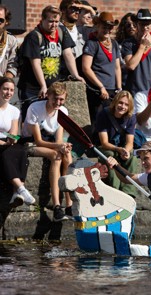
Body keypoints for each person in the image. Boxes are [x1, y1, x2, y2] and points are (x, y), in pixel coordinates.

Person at [17, 5, 84, 119]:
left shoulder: (61, 32)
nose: (54, 25)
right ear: (42, 19)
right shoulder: (34, 36)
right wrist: (43, 85)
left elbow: (68, 54)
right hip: (32, 88)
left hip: (53, 88)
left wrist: (76, 75)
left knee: (50, 119)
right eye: (50, 21)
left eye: (57, 21)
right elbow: (36, 63)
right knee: (31, 120)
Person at [21, 82, 73, 222]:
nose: (58, 102)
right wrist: (59, 147)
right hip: (30, 142)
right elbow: (38, 141)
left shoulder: (63, 111)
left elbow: (59, 138)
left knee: (67, 155)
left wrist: (64, 146)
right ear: (48, 96)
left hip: (49, 141)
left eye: (61, 99)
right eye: (55, 98)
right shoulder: (35, 108)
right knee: (56, 156)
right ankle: (57, 205)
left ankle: (69, 203)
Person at [94, 91, 139, 198]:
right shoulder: (104, 114)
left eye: (126, 104)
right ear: (115, 102)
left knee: (132, 157)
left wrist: (126, 151)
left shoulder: (131, 117)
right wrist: (119, 150)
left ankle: (129, 193)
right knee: (110, 156)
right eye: (120, 103)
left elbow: (129, 142)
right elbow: (104, 143)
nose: (123, 106)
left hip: (121, 147)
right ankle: (115, 190)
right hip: (105, 147)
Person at [0, 78, 35, 207]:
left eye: (11, 90)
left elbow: (14, 132)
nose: (8, 93)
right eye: (5, 89)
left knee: (21, 150)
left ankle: (17, 192)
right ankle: (21, 189)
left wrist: (11, 139)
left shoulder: (14, 110)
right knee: (6, 154)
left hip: (6, 142)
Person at [82, 12, 122, 124]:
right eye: (104, 27)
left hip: (112, 89)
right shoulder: (92, 43)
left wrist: (119, 88)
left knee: (111, 121)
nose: (107, 30)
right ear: (97, 26)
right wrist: (101, 87)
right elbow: (86, 68)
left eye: (110, 27)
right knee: (98, 120)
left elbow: (117, 67)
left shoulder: (114, 44)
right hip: (97, 90)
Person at [122, 8, 151, 96]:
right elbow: (130, 66)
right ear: (136, 25)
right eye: (142, 24)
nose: (145, 27)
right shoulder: (128, 43)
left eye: (148, 24)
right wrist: (142, 46)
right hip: (132, 91)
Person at [0, 5, 18, 78]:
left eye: (0, 20)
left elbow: (13, 65)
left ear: (6, 22)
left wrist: (5, 82)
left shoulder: (11, 40)